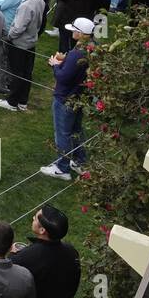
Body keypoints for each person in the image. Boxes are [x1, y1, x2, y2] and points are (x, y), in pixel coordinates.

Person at [11, 205, 82, 298]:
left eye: (36, 218)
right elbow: (73, 286)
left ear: (43, 230)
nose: (32, 217)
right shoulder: (72, 253)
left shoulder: (25, 259)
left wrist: (18, 255)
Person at [42, 19, 93, 181]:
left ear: (81, 33)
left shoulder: (77, 53)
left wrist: (55, 65)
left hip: (66, 98)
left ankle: (62, 168)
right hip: (81, 97)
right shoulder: (92, 48)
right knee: (76, 130)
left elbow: (63, 77)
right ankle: (79, 161)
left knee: (62, 133)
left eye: (74, 30)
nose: (72, 32)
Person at [0, 0, 45, 113]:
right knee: (26, 72)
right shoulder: (39, 0)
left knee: (17, 73)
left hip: (20, 43)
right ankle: (22, 101)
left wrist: (10, 37)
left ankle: (12, 102)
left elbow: (18, 27)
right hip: (31, 41)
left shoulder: (27, 5)